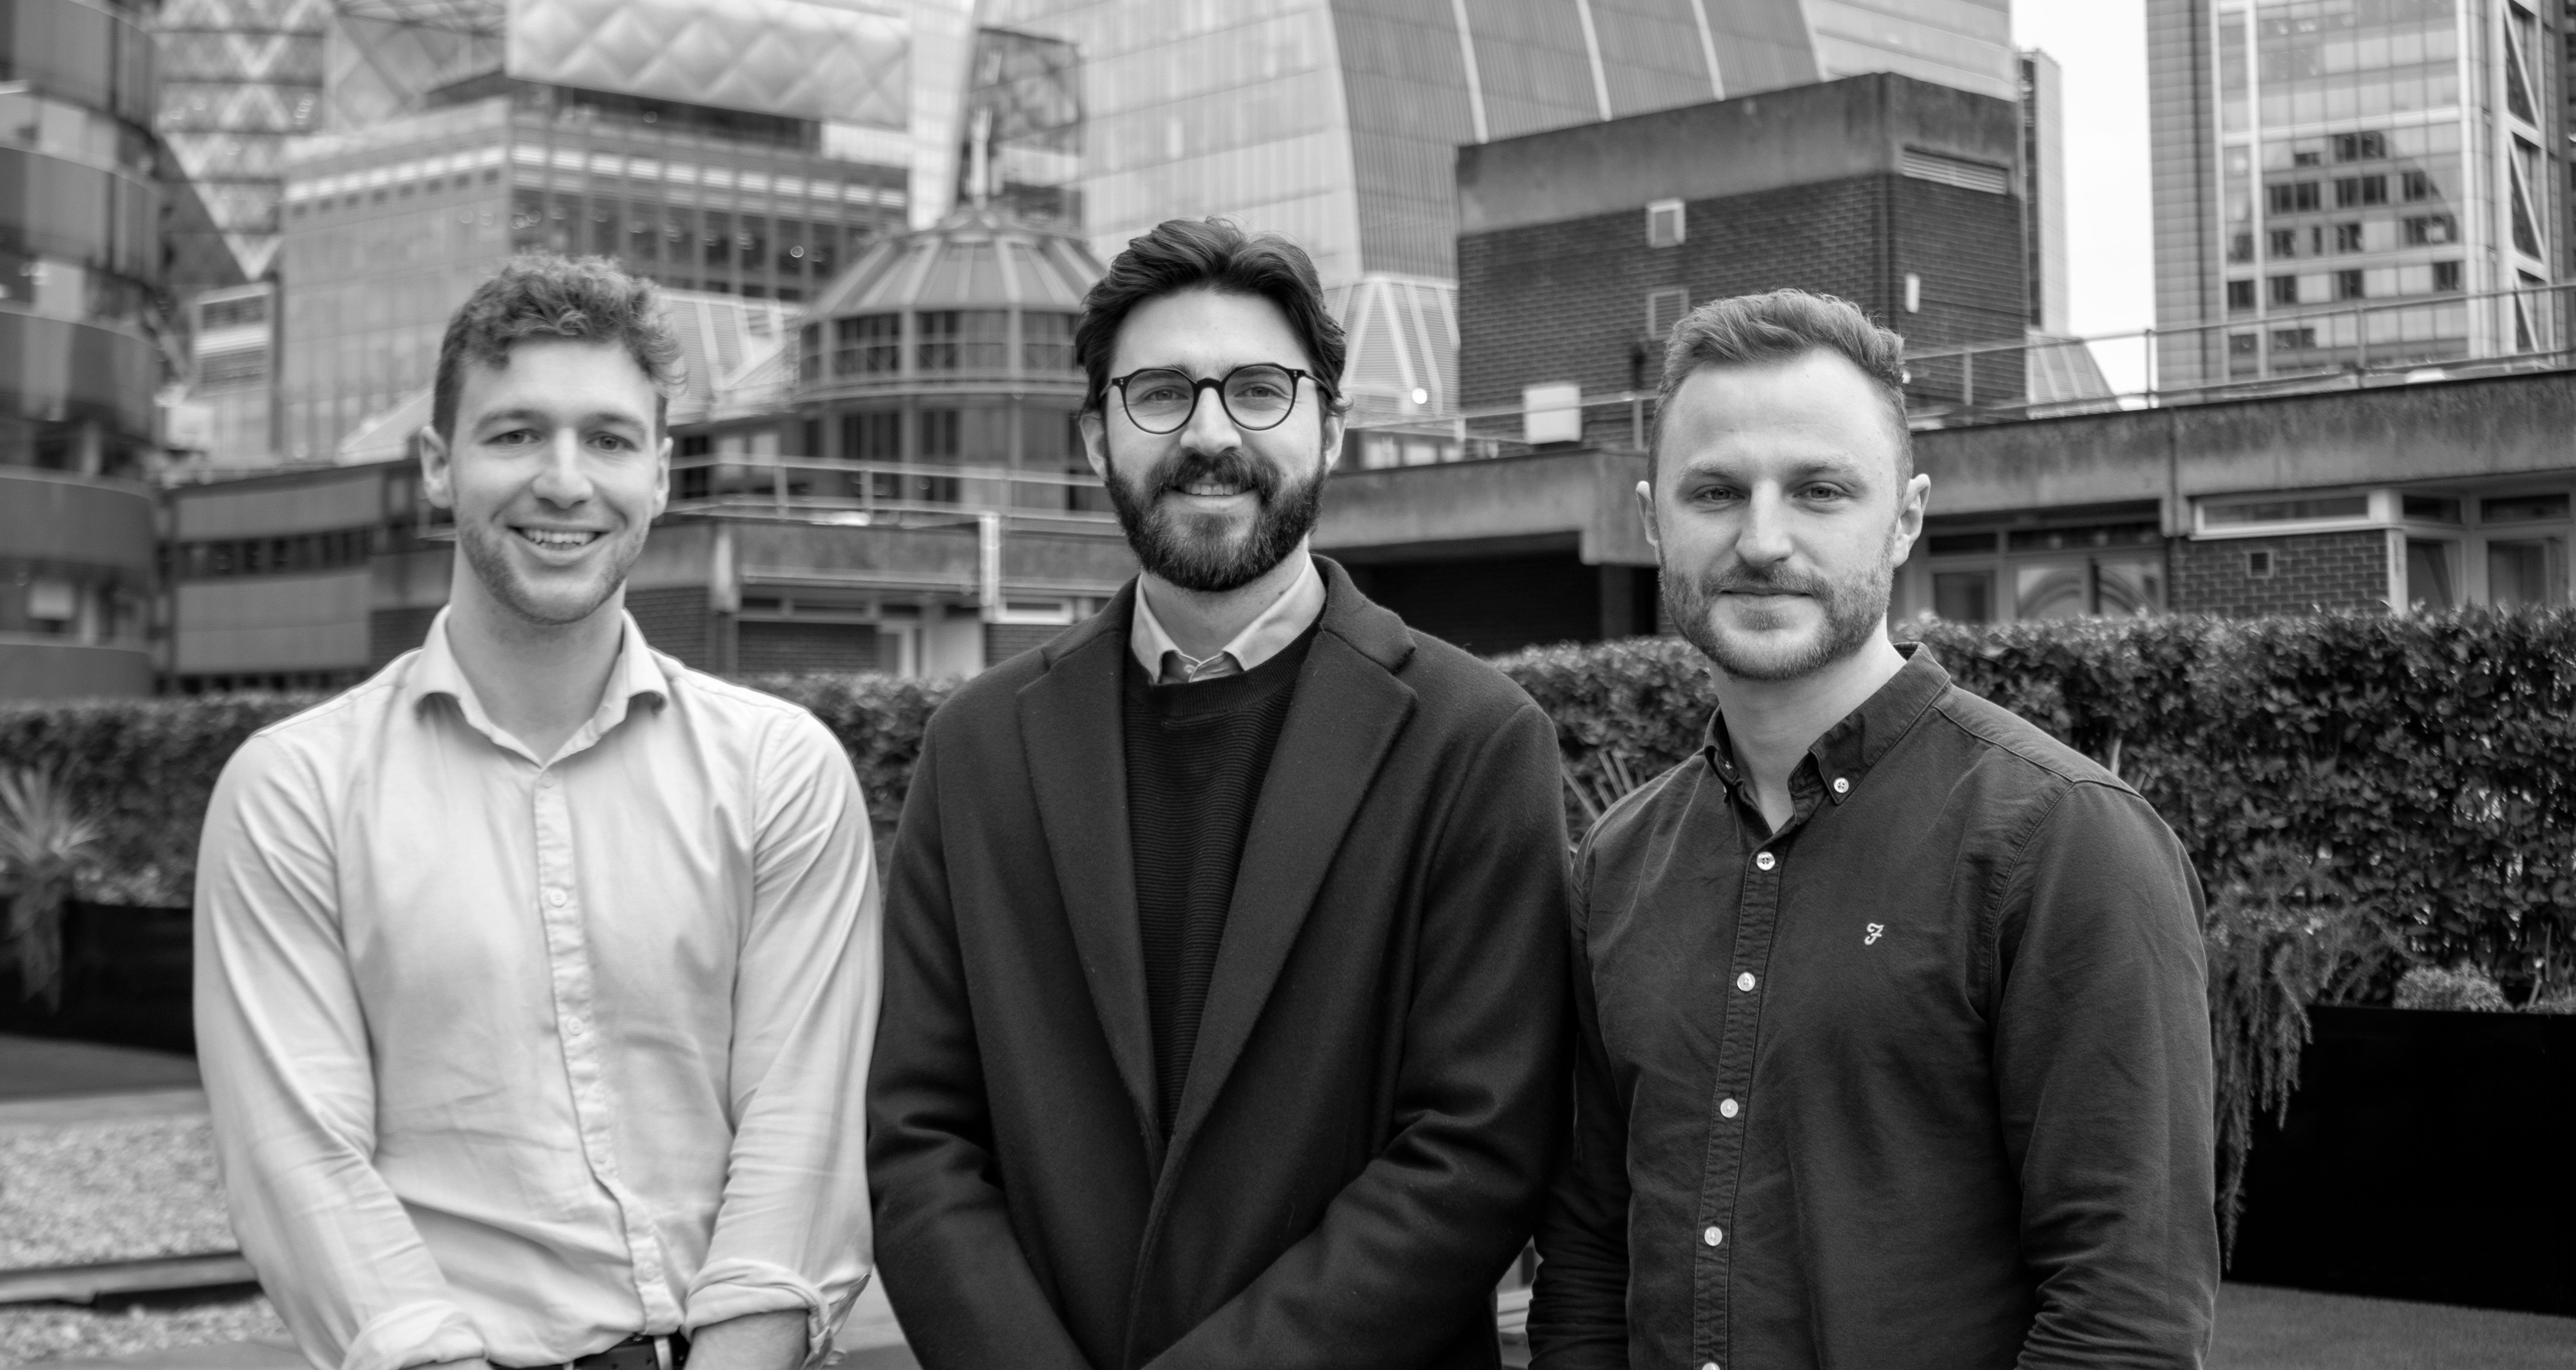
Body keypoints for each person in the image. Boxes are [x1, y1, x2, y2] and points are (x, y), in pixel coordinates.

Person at [868, 217, 1570, 1369]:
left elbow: (1476, 1150)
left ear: (1330, 427)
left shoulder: (1474, 742)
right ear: (1094, 436)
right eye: (1159, 394)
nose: (1208, 433)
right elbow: (919, 1139)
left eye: (1257, 390)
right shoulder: (976, 749)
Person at [195, 257, 879, 1370]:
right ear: (437, 464)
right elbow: (299, 1164)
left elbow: (803, 1138)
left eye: (608, 440)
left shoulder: (780, 771)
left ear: (661, 473)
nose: (566, 483)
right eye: (516, 435)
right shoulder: (293, 793)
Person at [1528, 289, 2217, 1370]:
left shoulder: (2064, 843)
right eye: (1716, 491)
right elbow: (1587, 1259)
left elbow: (2122, 1316)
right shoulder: (1616, 864)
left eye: (1819, 490)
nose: (1762, 540)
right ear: (1654, 519)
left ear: (1904, 516)